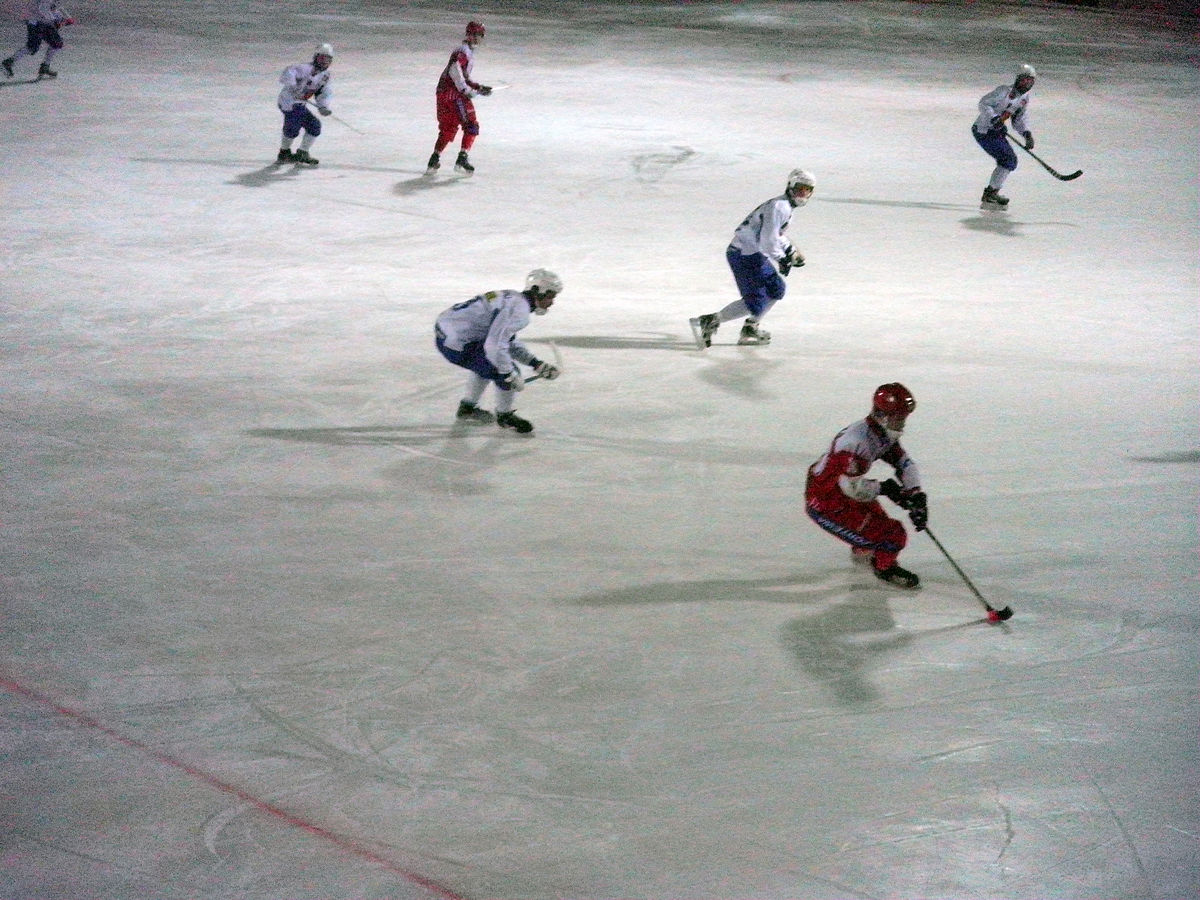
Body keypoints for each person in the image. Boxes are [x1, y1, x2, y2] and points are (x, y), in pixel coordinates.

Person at [805, 383, 929, 589]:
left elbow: (903, 463)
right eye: (898, 418)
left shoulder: (879, 434)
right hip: (827, 503)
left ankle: (862, 545)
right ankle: (884, 567)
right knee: (894, 535)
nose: (902, 424)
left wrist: (915, 494)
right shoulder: (856, 443)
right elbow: (850, 488)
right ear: (882, 415)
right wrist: (886, 489)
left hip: (837, 493)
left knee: (879, 522)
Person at [689, 168, 813, 349]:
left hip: (752, 253)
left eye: (807, 190)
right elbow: (768, 240)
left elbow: (775, 235)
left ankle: (751, 328)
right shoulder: (781, 207)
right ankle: (710, 321)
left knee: (776, 289)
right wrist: (783, 259)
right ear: (790, 186)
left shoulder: (784, 206)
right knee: (755, 302)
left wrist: (790, 250)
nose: (802, 193)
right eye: (799, 188)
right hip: (744, 255)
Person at [434, 269, 563, 435]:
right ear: (539, 291)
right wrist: (509, 374)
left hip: (449, 333)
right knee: (503, 370)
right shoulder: (520, 311)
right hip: (456, 342)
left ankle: (467, 408)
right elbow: (495, 345)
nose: (551, 302)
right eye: (550, 296)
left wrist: (536, 364)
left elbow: (505, 341)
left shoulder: (515, 299)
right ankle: (504, 416)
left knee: (487, 365)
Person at [425, 21, 492, 176]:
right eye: (475, 35)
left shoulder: (465, 52)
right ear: (469, 35)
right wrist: (466, 90)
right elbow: (455, 69)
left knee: (448, 128)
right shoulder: (464, 52)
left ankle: (434, 159)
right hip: (454, 95)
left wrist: (478, 87)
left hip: (443, 94)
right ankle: (462, 159)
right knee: (471, 125)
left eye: (479, 35)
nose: (477, 39)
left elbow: (463, 75)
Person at [972, 64, 1037, 208]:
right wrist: (993, 118)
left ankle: (991, 193)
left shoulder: (1024, 98)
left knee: (1008, 160)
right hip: (983, 131)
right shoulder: (1003, 91)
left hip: (995, 132)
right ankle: (991, 193)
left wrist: (1026, 133)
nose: (1026, 84)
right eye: (1024, 80)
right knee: (1008, 159)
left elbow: (1019, 118)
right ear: (1017, 79)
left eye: (1030, 81)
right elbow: (984, 103)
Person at [275, 43, 334, 167]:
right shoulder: (303, 68)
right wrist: (292, 86)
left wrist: (324, 106)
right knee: (293, 127)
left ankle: (301, 152)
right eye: (321, 58)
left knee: (314, 126)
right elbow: (289, 72)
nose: (324, 62)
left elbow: (324, 93)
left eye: (327, 59)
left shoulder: (325, 76)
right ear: (315, 58)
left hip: (300, 104)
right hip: (289, 102)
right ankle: (285, 152)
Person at [2, 1, 74, 80]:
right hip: (36, 23)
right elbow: (43, 9)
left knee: (56, 44)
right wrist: (58, 21)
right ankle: (8, 63)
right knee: (32, 47)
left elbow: (57, 10)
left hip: (45, 24)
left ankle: (45, 66)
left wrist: (63, 20)